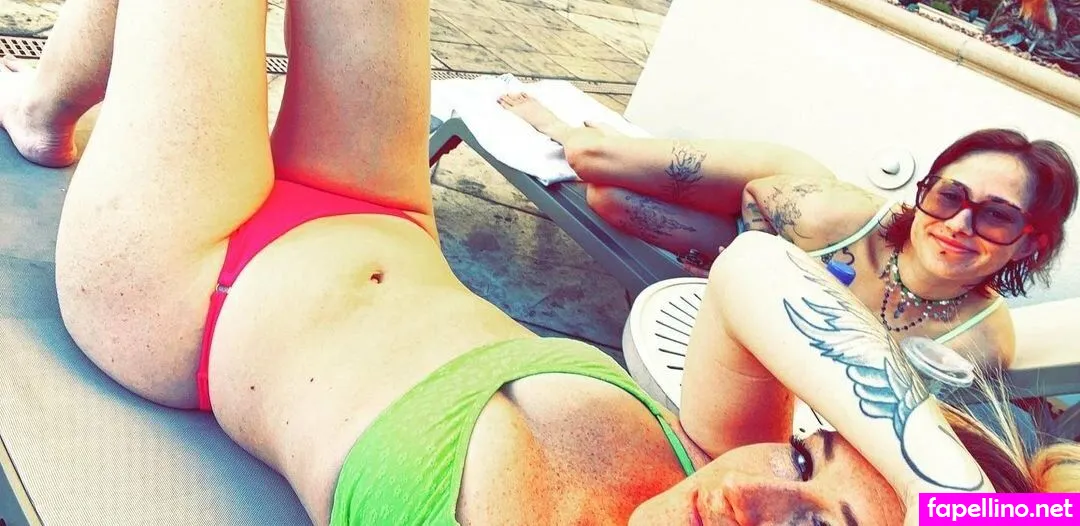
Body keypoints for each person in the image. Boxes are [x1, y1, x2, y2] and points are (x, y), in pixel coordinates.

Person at [2, 1, 1077, 525]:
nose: (750, 496)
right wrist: (964, 497)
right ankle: (51, 108)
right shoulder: (714, 452)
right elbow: (756, 271)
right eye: (804, 462)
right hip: (379, 211)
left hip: (193, 288)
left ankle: (47, 110)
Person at [497, 94, 1078, 370]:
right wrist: (744, 259)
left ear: (1033, 241)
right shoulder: (833, 214)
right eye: (949, 195)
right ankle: (569, 126)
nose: (958, 224)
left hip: (774, 248)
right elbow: (756, 194)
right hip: (772, 196)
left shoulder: (980, 341)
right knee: (594, 162)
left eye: (996, 215)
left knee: (610, 202)